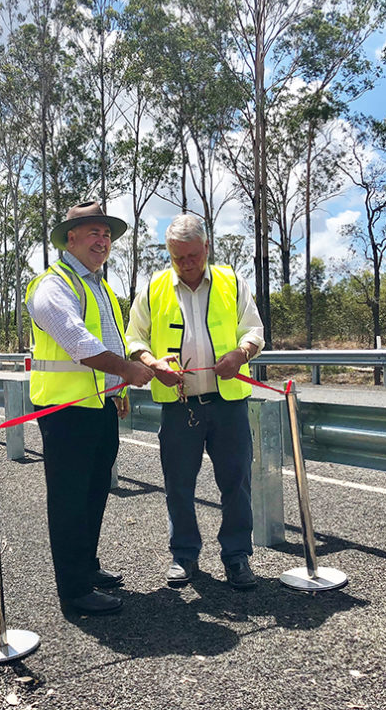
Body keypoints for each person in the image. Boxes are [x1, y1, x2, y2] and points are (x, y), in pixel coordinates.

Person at [25, 200, 155, 616]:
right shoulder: (53, 285)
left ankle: (87, 567)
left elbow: (110, 342)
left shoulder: (99, 286)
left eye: (107, 234)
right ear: (71, 238)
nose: (103, 240)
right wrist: (127, 371)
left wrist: (118, 389)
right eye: (94, 232)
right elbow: (78, 342)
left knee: (95, 492)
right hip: (65, 412)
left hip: (97, 408)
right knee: (70, 499)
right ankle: (74, 590)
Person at [126, 214, 265, 590]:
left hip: (227, 403)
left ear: (207, 247)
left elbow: (255, 329)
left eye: (192, 255)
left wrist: (241, 353)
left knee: (236, 483)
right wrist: (152, 363)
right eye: (177, 257)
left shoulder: (231, 282)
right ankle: (184, 556)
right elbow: (133, 338)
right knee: (179, 485)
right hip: (178, 404)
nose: (186, 263)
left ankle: (237, 557)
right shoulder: (154, 287)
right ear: (169, 253)